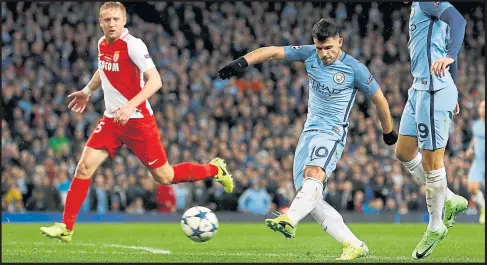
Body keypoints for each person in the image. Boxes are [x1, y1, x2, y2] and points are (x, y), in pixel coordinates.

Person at [40, 2, 234, 243]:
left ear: (124, 21)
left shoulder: (133, 45)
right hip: (112, 120)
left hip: (138, 122)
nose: (111, 24)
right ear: (101, 22)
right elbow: (103, 69)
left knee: (164, 176)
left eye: (115, 20)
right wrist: (87, 91)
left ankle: (215, 169)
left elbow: (155, 81)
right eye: (107, 20)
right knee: (84, 167)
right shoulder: (102, 44)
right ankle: (66, 227)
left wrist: (131, 104)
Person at [218, 18, 398, 260]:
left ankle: (289, 218)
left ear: (340, 42)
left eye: (329, 48)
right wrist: (242, 62)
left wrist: (388, 132)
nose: (324, 54)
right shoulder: (309, 55)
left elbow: (379, 100)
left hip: (332, 132)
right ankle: (354, 244)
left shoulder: (355, 69)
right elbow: (272, 51)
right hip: (309, 132)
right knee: (309, 194)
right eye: (319, 48)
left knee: (314, 175)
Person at [394, 1, 468, 259]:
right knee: (403, 152)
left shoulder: (428, 1)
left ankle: (435, 225)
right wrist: (455, 84)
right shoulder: (418, 7)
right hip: (418, 90)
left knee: (431, 162)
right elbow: (446, 35)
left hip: (434, 90)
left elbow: (459, 21)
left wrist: (451, 57)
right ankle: (448, 198)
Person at [465, 100, 485, 224]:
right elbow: (475, 138)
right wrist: (470, 148)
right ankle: (484, 208)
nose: (483, 109)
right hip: (478, 161)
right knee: (472, 188)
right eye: (482, 107)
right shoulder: (476, 124)